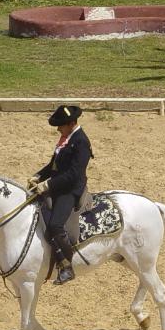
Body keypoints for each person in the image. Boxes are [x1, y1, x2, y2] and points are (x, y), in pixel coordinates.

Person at [28, 105, 94, 285]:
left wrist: (48, 184)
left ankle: (67, 266)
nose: (58, 129)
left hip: (70, 189)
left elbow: (74, 174)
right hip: (57, 185)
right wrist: (38, 176)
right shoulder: (66, 139)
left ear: (72, 123)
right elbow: (53, 166)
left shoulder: (81, 142)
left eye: (61, 125)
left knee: (56, 225)